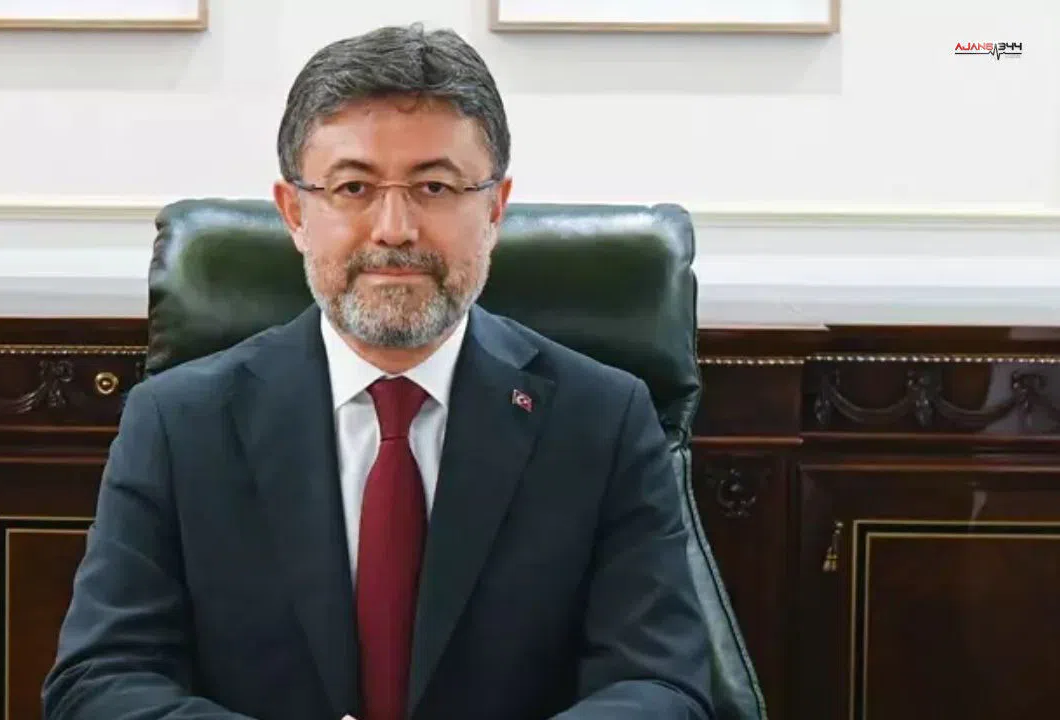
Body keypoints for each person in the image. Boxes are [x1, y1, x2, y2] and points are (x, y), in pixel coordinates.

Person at [43, 23, 716, 720]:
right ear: (295, 213)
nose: (394, 228)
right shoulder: (179, 424)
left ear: (494, 209)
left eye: (434, 185)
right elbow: (101, 682)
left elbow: (660, 685)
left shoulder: (602, 421)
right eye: (354, 187)